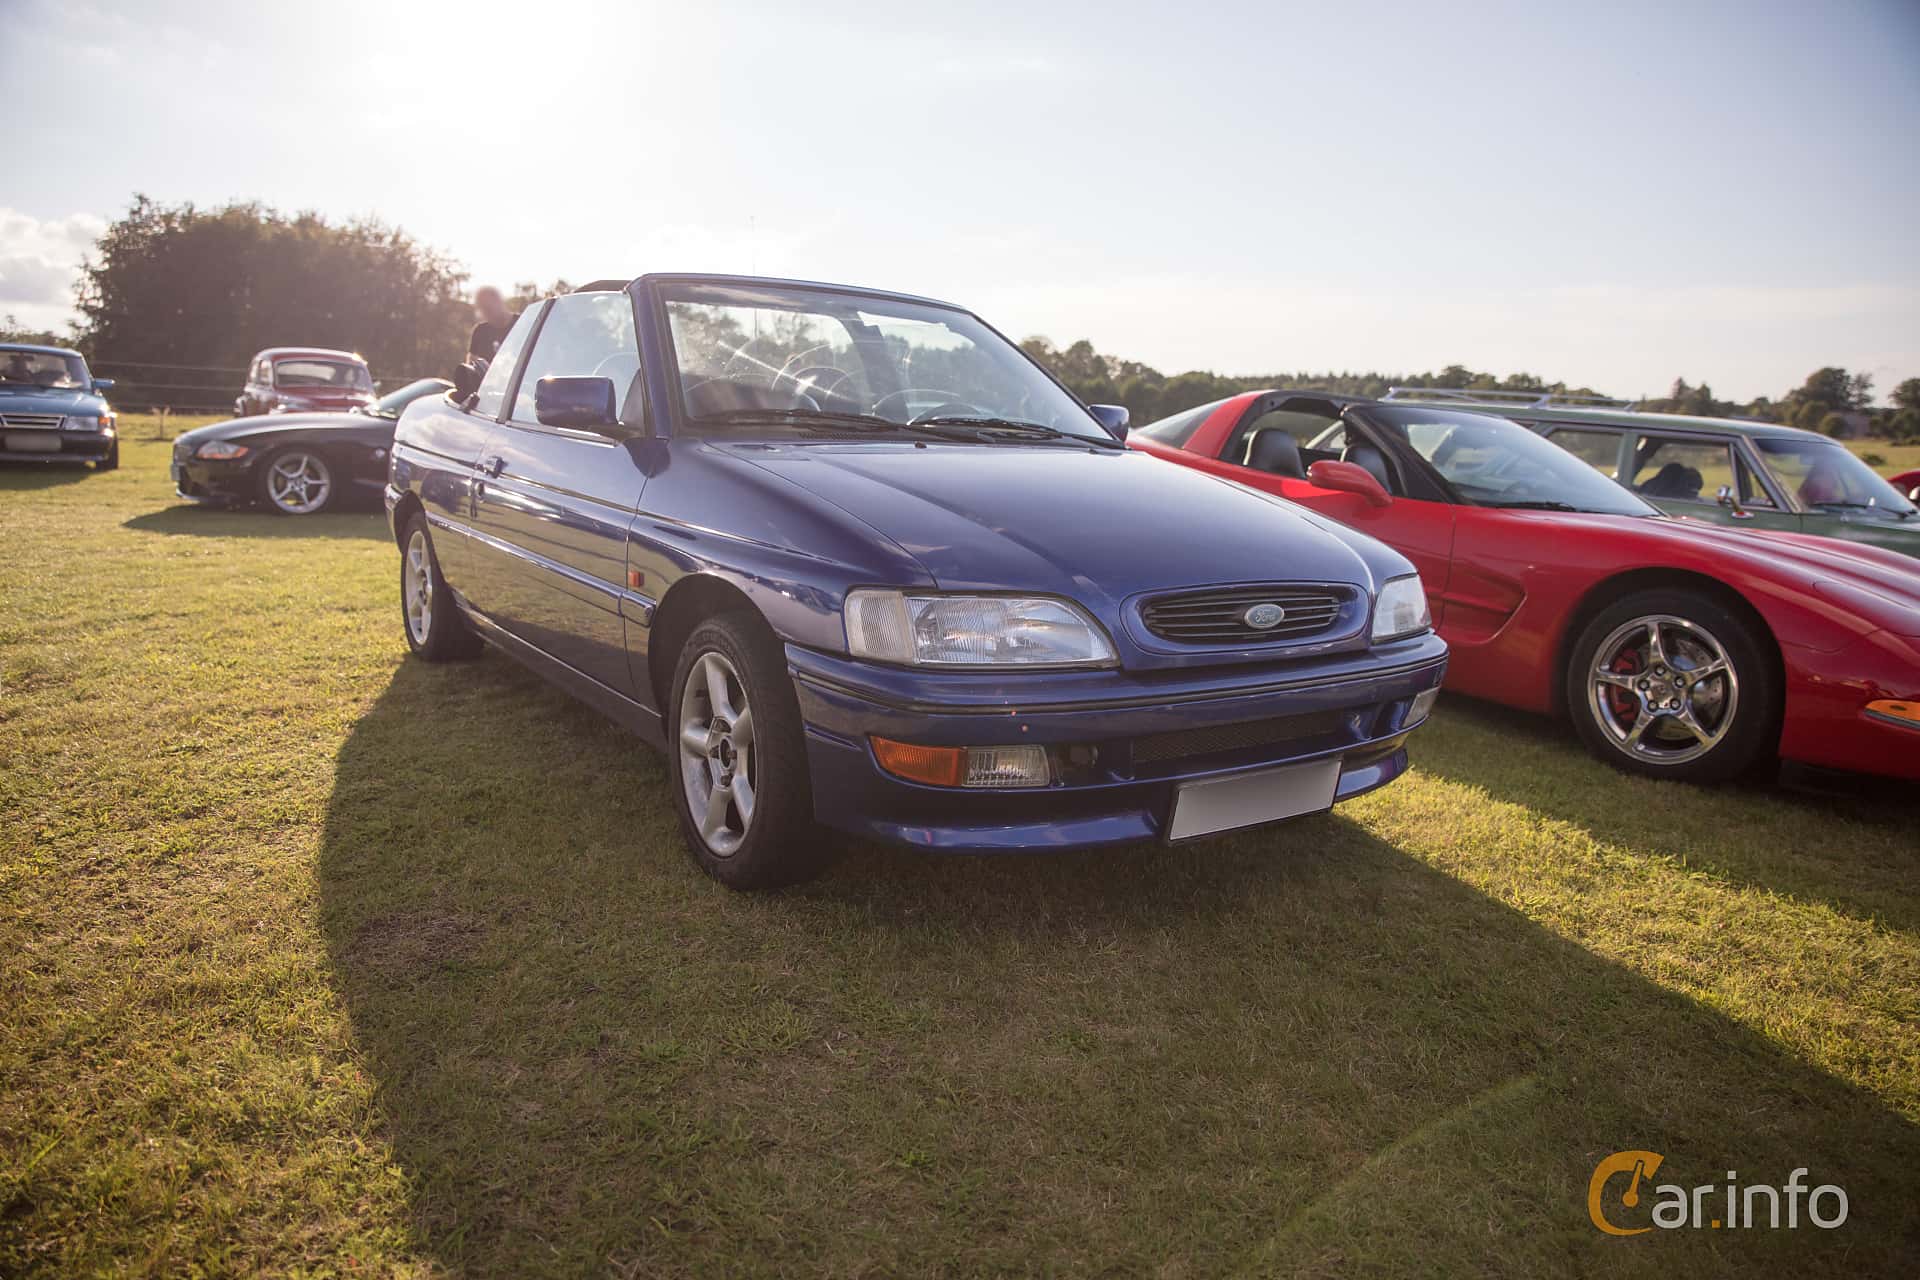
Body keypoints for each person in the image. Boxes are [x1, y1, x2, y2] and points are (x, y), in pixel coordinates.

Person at [467, 287, 514, 365]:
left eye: (487, 308)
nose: (484, 313)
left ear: (499, 302)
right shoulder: (480, 331)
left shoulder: (524, 324)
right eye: (481, 309)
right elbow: (471, 362)